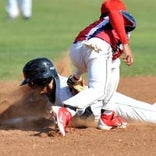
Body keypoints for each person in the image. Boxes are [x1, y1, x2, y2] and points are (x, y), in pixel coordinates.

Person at [20, 57, 156, 137]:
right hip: (102, 114)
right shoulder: (49, 92)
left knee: (153, 117)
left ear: (42, 80)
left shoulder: (66, 90)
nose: (30, 87)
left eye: (32, 83)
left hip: (113, 105)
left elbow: (87, 111)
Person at [63, 0, 136, 131]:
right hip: (97, 47)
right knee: (97, 90)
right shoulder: (113, 16)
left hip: (78, 53)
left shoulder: (99, 26)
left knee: (114, 63)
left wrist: (76, 76)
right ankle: (67, 110)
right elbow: (114, 13)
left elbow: (91, 55)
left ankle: (107, 115)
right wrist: (126, 45)